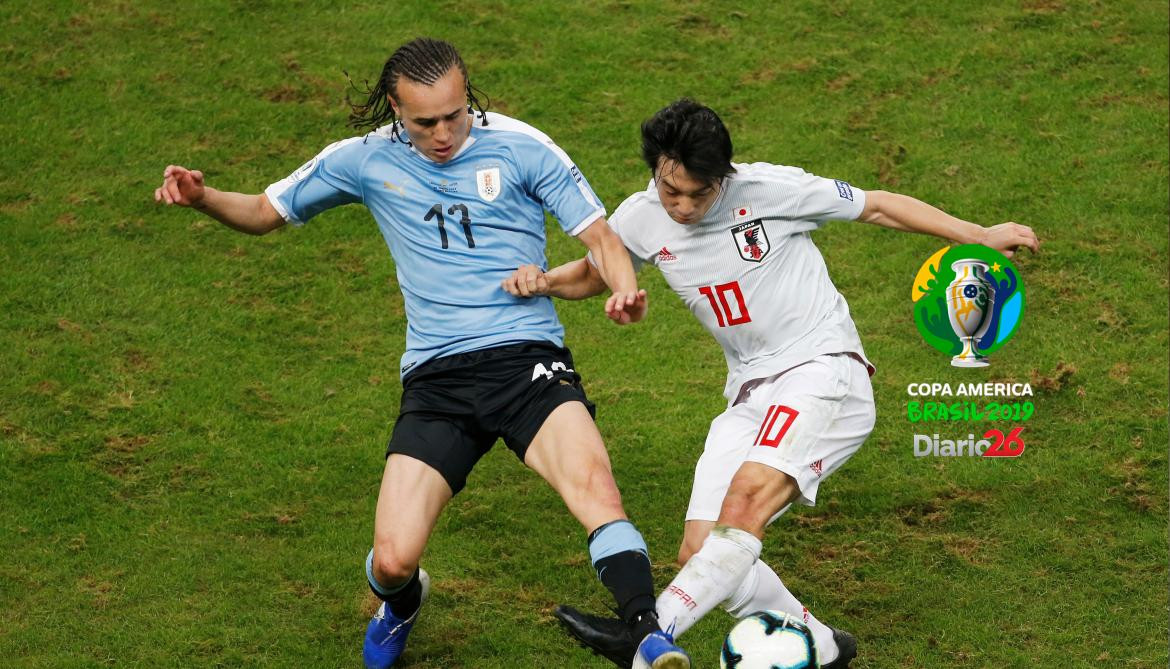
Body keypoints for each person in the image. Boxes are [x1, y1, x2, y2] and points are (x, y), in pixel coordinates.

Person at [154, 38, 689, 669]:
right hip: (437, 379)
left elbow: (599, 235)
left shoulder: (521, 146)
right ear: (394, 109)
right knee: (392, 559)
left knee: (597, 489)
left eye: (455, 115)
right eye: (424, 122)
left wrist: (624, 289)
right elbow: (266, 212)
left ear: (469, 97)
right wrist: (204, 198)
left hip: (526, 361)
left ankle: (648, 636)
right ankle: (402, 603)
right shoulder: (361, 160)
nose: (443, 133)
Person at [503, 98, 1040, 668]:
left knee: (745, 503)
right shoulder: (639, 216)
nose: (682, 206)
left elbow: (878, 207)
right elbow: (594, 271)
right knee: (702, 550)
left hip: (822, 369)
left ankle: (644, 639)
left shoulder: (772, 190)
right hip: (749, 392)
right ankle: (823, 646)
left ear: (723, 177)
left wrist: (975, 234)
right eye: (670, 191)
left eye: (698, 193)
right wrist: (545, 283)